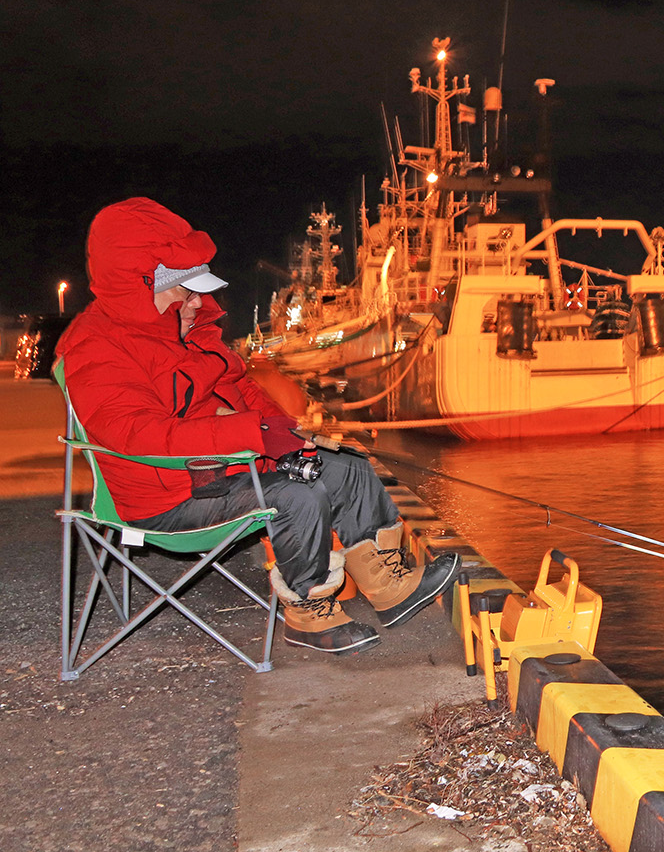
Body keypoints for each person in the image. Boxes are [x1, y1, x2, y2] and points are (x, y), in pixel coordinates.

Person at [56, 197, 459, 655]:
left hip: (213, 469)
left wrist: (289, 433)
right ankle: (308, 613)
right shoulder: (96, 347)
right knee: (296, 496)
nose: (197, 302)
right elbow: (136, 435)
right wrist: (249, 434)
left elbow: (241, 392)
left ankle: (391, 587)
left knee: (343, 464)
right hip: (164, 495)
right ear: (141, 284)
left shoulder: (184, 335)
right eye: (186, 291)